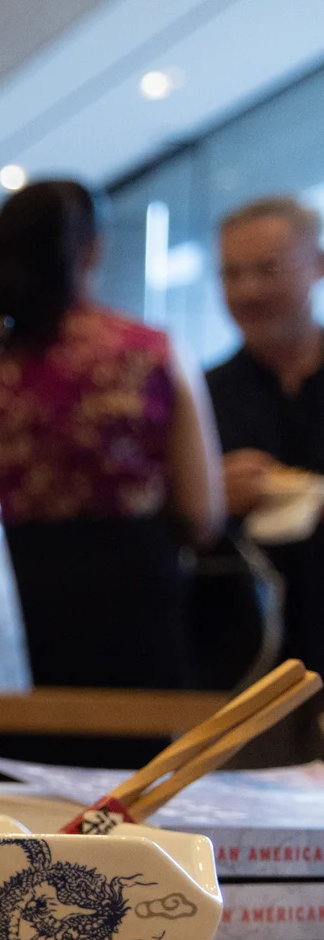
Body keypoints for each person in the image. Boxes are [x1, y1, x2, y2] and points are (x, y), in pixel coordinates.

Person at [0, 180, 225, 690]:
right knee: (130, 763)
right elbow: (200, 513)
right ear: (93, 250)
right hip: (128, 602)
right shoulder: (151, 353)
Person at [206, 195, 324, 666]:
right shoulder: (200, 400)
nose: (248, 291)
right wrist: (211, 496)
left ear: (317, 266)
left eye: (267, 270)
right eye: (232, 274)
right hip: (243, 664)